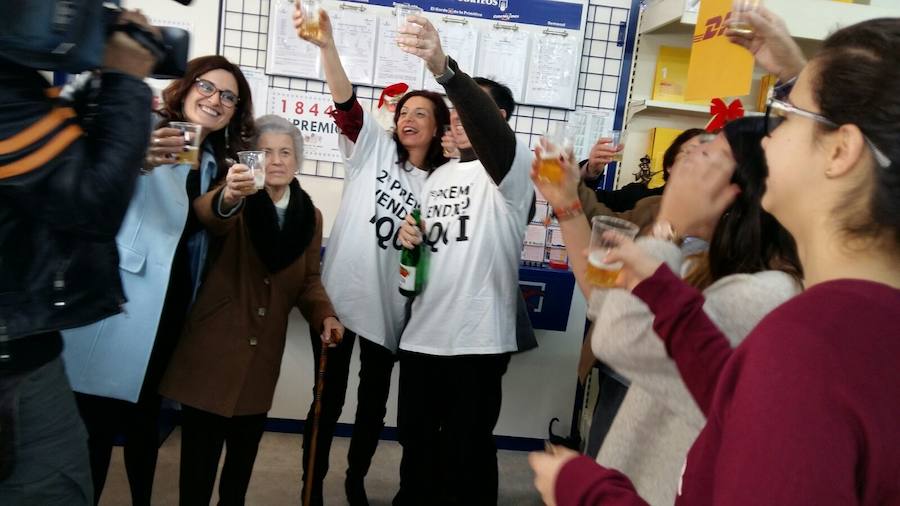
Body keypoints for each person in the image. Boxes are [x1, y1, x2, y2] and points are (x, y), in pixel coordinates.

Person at [531, 12, 900, 506]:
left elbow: (625, 336)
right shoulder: (846, 324)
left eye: (786, 116)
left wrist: (589, 491)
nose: (769, 137)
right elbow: (733, 391)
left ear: (841, 151)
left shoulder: (805, 336)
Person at [531, 116, 802, 504]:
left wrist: (669, 226)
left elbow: (617, 338)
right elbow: (603, 299)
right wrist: (567, 204)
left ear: (749, 186)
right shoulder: (705, 264)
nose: (692, 159)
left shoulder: (765, 293)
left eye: (711, 153)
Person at [61, 55, 256, 506]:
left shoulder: (214, 161)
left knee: (147, 422)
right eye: (207, 87)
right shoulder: (145, 125)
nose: (216, 100)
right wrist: (135, 157)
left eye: (229, 96)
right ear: (186, 88)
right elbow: (87, 178)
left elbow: (205, 221)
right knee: (94, 424)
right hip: (122, 297)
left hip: (171, 305)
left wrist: (229, 199)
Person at [0, 11, 159, 505]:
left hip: (24, 346)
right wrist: (126, 81)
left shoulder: (20, 85)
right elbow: (91, 207)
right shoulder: (8, 90)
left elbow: (49, 177)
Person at [293, 7, 450, 505]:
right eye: (403, 112)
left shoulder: (445, 184)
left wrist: (421, 241)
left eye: (420, 113)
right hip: (338, 301)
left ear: (439, 128)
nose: (407, 118)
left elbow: (444, 251)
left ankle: (354, 482)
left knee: (371, 410)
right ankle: (311, 486)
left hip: (391, 311)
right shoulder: (372, 150)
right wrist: (327, 48)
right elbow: (345, 103)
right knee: (326, 402)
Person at [158, 114, 343, 505]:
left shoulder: (309, 217)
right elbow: (210, 214)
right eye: (267, 152)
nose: (276, 161)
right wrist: (228, 195)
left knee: (239, 473)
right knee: (197, 470)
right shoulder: (237, 193)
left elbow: (309, 280)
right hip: (212, 351)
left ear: (297, 161)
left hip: (260, 360)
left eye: (286, 152)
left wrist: (325, 314)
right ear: (251, 157)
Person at [395, 16, 534, 505]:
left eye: (468, 108)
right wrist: (409, 240)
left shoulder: (513, 174)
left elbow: (491, 135)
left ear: (498, 119)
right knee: (414, 444)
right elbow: (421, 260)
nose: (456, 115)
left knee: (466, 451)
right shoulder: (436, 177)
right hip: (421, 338)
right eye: (453, 109)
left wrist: (444, 70)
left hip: (476, 342)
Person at [584, 129, 705, 212]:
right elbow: (581, 203)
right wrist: (591, 172)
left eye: (707, 157)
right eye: (692, 153)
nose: (700, 163)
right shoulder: (637, 198)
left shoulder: (718, 222)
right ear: (670, 165)